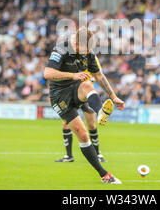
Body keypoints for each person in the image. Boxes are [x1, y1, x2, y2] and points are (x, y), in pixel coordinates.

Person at [44, 27, 125, 184]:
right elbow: (47, 73)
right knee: (82, 135)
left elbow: (99, 76)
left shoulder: (88, 52)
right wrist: (72, 75)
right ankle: (104, 174)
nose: (87, 52)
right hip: (59, 95)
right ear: (75, 43)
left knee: (88, 84)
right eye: (84, 49)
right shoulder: (61, 49)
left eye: (89, 49)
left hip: (76, 89)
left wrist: (114, 96)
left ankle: (100, 111)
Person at [55, 56, 107, 163]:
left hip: (86, 93)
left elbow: (98, 73)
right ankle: (69, 156)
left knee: (91, 125)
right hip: (72, 92)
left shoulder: (92, 58)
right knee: (65, 124)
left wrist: (91, 79)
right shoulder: (71, 56)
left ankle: (98, 154)